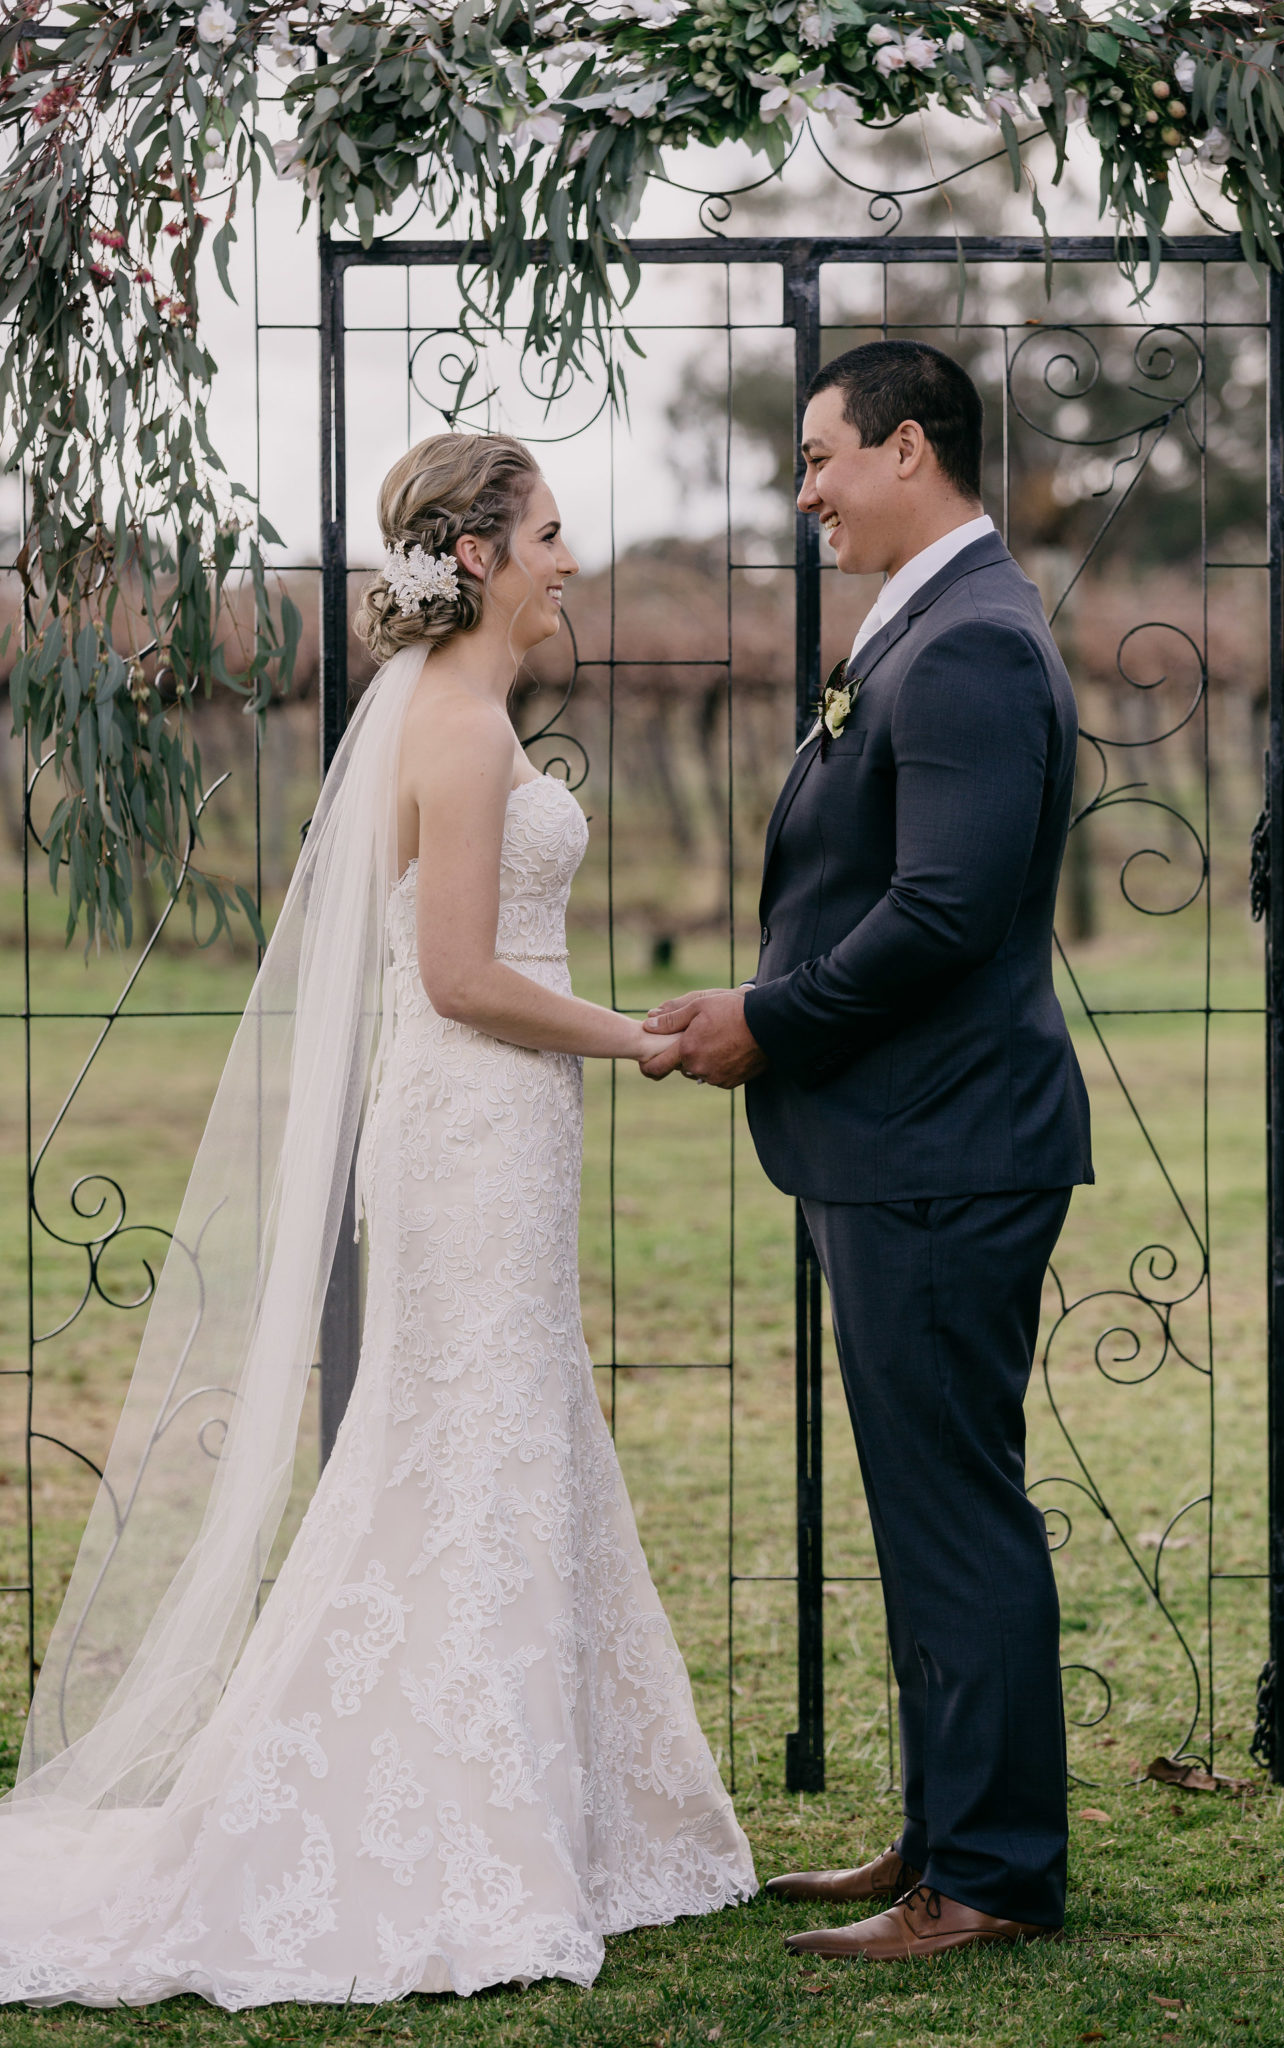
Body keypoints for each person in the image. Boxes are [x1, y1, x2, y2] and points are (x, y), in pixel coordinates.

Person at [0, 432, 753, 2009]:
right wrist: (640, 1038)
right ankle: (435, 1816)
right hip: (475, 1125)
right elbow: (465, 976)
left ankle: (535, 1799)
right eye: (548, 532)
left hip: (488, 1127)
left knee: (492, 1433)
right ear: (476, 554)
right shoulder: (463, 730)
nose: (568, 560)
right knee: (458, 1441)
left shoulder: (449, 709)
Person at [642, 340, 1092, 1960]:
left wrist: (772, 1016)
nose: (806, 489)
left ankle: (986, 1879)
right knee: (927, 1507)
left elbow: (945, 910)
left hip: (939, 1145)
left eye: (823, 458)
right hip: (904, 1142)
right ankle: (940, 1837)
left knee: (954, 1509)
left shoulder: (968, 639)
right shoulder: (934, 618)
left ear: (908, 448)